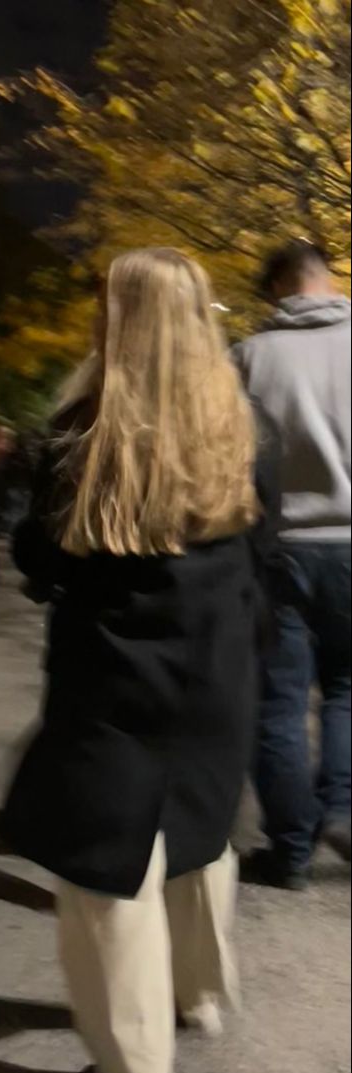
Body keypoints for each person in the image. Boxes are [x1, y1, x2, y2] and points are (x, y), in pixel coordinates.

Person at [1, 248, 278, 1073]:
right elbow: (259, 547)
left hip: (114, 673)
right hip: (217, 661)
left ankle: (136, 1071)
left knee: (105, 871)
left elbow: (42, 562)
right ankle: (199, 992)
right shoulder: (240, 424)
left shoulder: (78, 436)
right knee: (202, 824)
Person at [234, 241, 351, 890]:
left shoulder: (247, 358)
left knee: (276, 704)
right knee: (345, 691)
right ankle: (341, 809)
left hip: (278, 547)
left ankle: (290, 851)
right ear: (325, 277)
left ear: (278, 285)